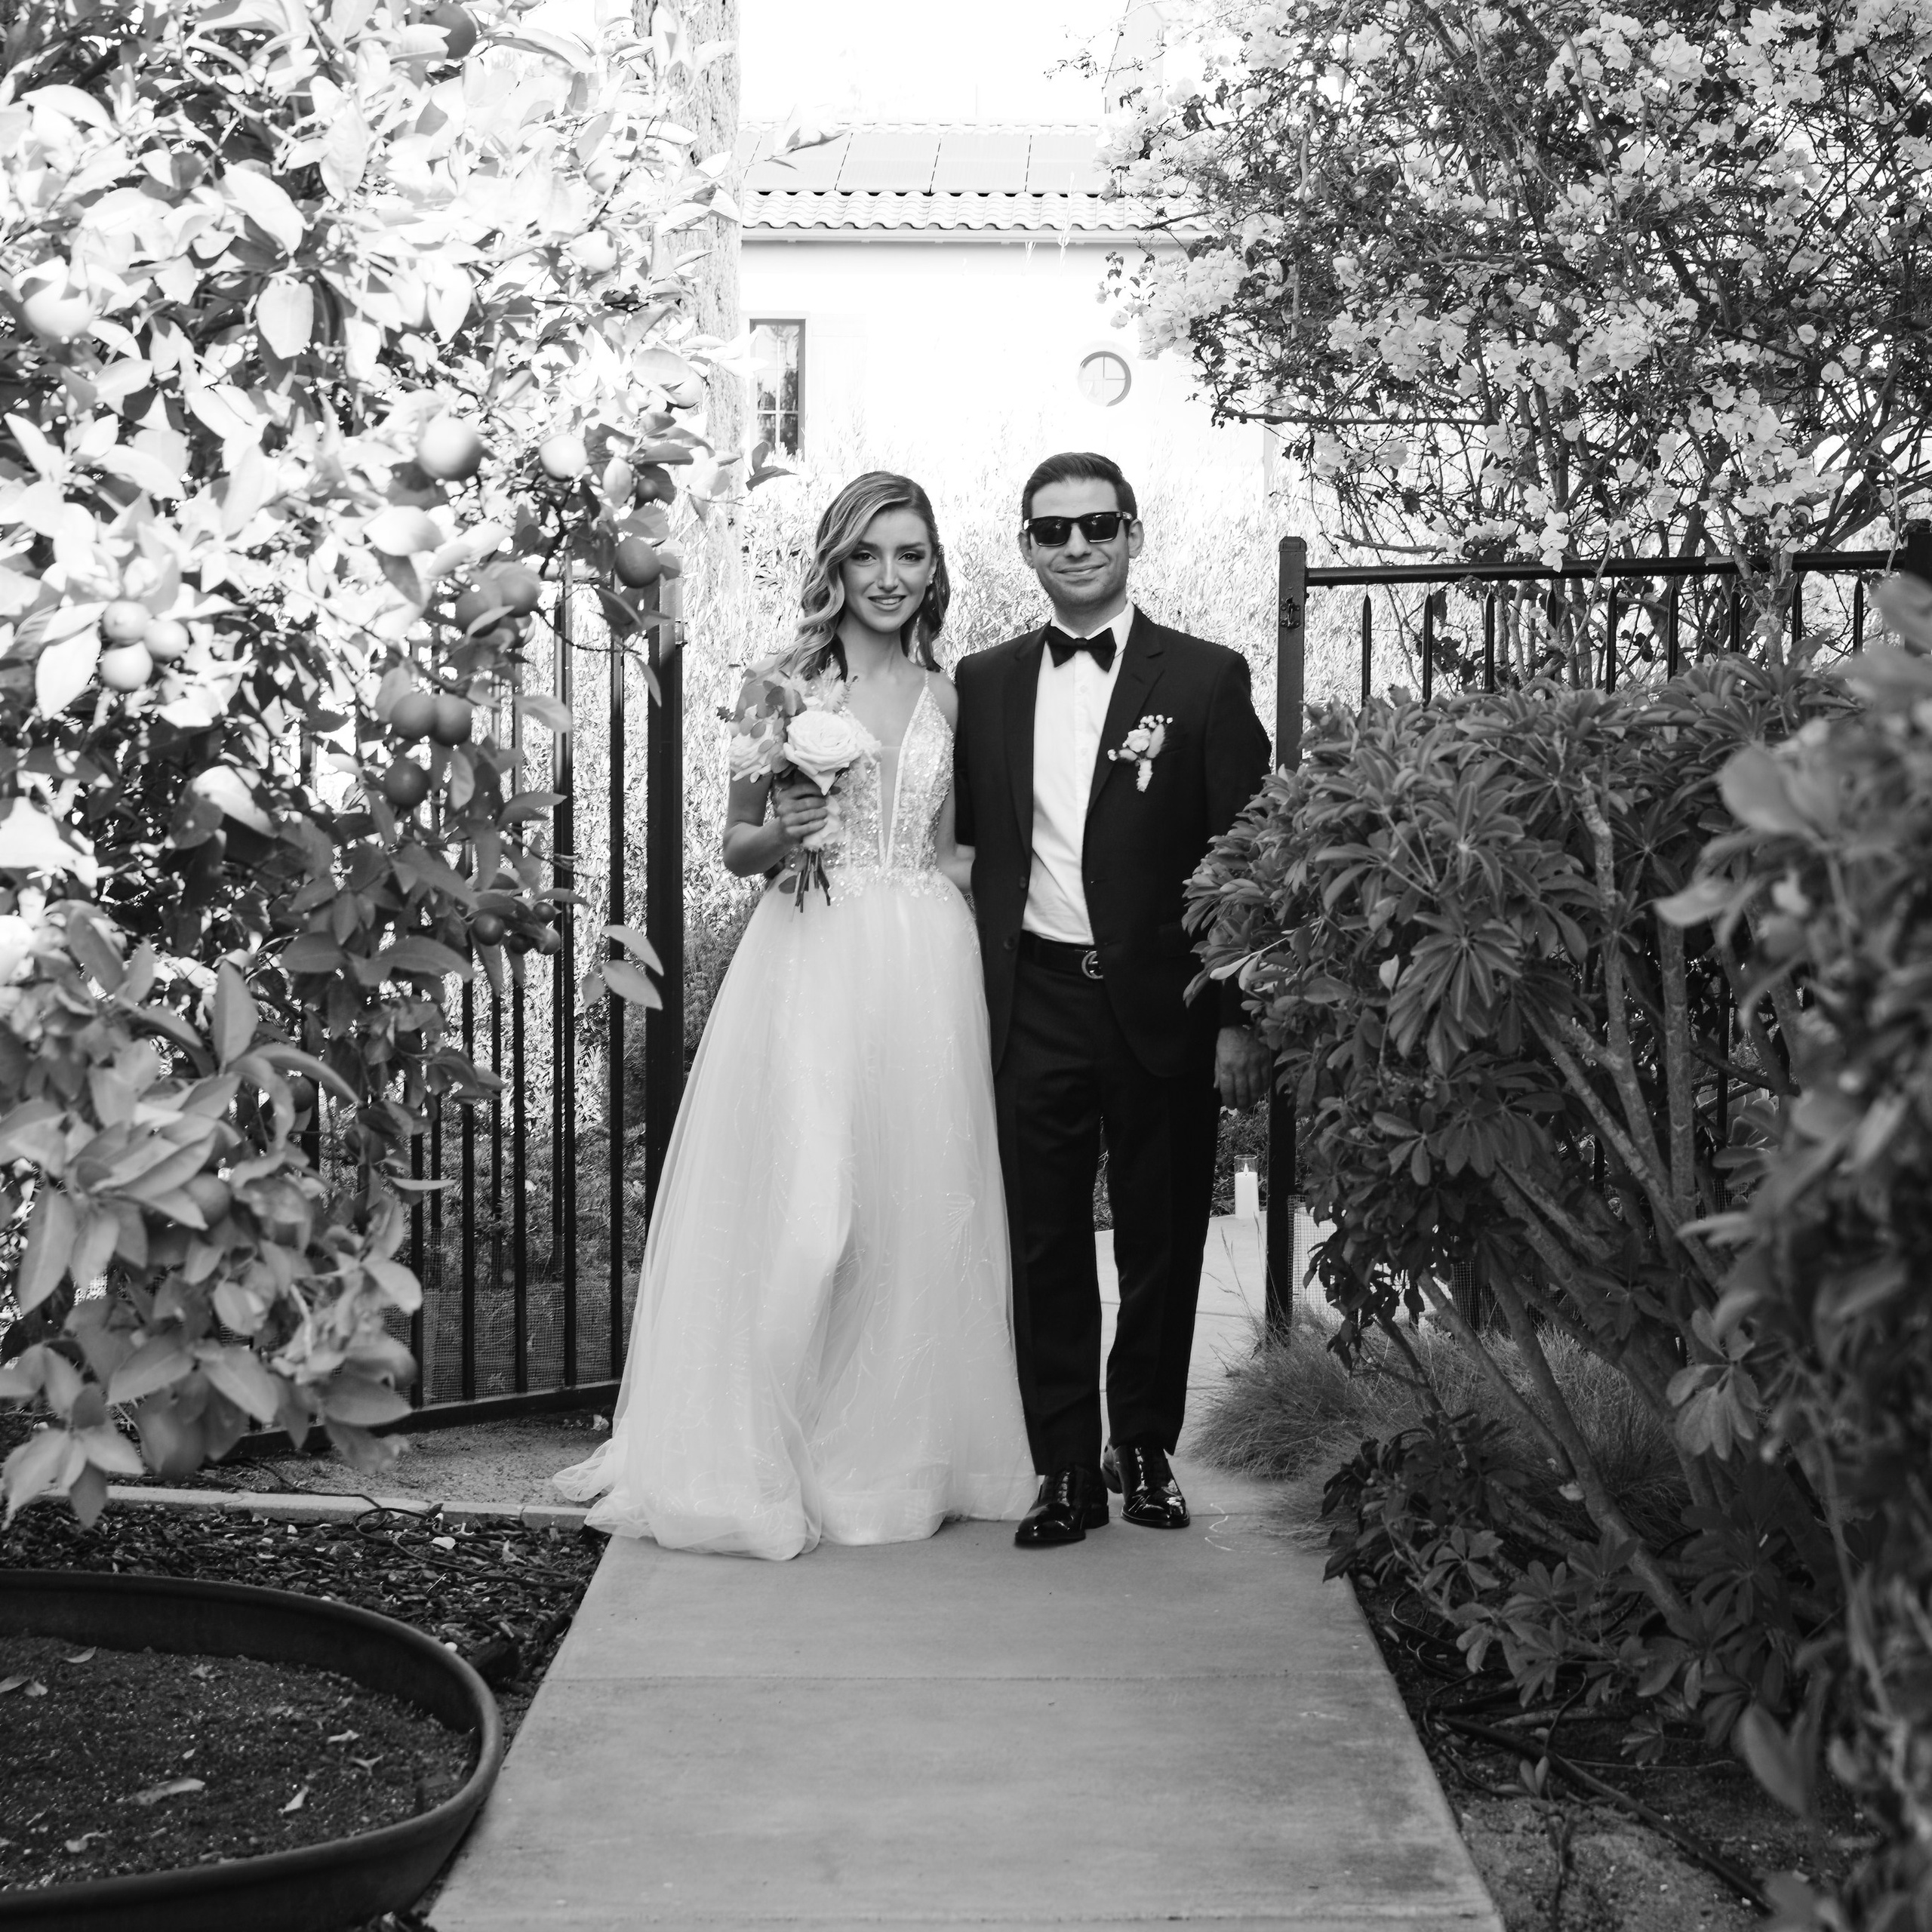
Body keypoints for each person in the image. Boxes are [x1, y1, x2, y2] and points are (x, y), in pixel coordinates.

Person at [555, 472, 1037, 1559]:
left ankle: (892, 1456)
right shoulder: (778, 683)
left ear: (935, 570)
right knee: (812, 1215)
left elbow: (949, 850)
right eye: (867, 555)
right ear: (835, 565)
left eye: (910, 555)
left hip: (926, 965)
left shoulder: (949, 696)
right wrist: (795, 828)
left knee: (918, 1212)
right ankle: (752, 1453)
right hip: (814, 956)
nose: (889, 577)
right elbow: (738, 852)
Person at [952, 453, 1273, 1548]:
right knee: (1041, 1242)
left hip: (1162, 1007)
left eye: (1097, 525)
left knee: (1162, 1233)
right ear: (1027, 548)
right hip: (1030, 999)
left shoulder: (1204, 680)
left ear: (1134, 534)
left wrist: (1237, 1014)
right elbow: (955, 845)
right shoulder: (984, 683)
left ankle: (1142, 1446)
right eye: (1053, 531)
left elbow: (1251, 858)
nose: (1076, 546)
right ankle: (1061, 1467)